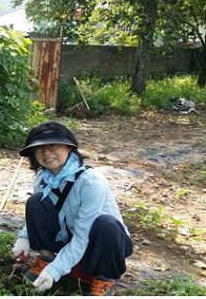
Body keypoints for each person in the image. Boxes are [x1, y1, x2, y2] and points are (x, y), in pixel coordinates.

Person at [11, 121, 133, 296]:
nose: (46, 153)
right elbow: (38, 217)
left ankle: (105, 278)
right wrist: (24, 239)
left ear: (68, 147)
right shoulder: (43, 179)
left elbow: (83, 235)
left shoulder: (90, 182)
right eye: (39, 149)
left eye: (52, 146)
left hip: (102, 242)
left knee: (105, 224)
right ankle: (46, 259)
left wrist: (55, 271)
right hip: (69, 236)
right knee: (36, 202)